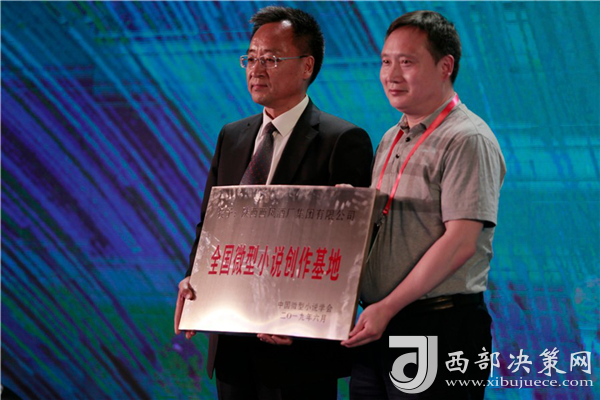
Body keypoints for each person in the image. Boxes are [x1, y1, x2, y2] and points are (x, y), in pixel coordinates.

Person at [174, 6, 373, 400]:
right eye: (251, 58)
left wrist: (303, 320)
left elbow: (350, 248)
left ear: (306, 66)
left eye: (271, 59)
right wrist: (192, 281)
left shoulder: (342, 140)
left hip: (297, 353)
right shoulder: (232, 136)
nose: (256, 69)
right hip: (232, 342)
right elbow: (211, 225)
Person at [341, 10, 506, 399]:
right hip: (378, 324)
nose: (391, 75)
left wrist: (387, 307)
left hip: (438, 325)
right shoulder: (392, 136)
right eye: (385, 62)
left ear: (445, 66)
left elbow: (460, 242)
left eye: (406, 62)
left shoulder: (467, 138)